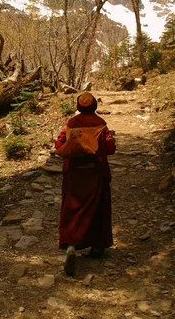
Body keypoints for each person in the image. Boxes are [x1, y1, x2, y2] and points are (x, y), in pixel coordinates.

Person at [54, 91, 116, 276]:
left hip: (74, 174)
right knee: (97, 209)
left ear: (79, 106)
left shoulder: (71, 124)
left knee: (72, 209)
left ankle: (71, 245)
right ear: (94, 105)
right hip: (95, 173)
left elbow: (59, 145)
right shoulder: (100, 124)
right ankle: (97, 247)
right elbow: (110, 149)